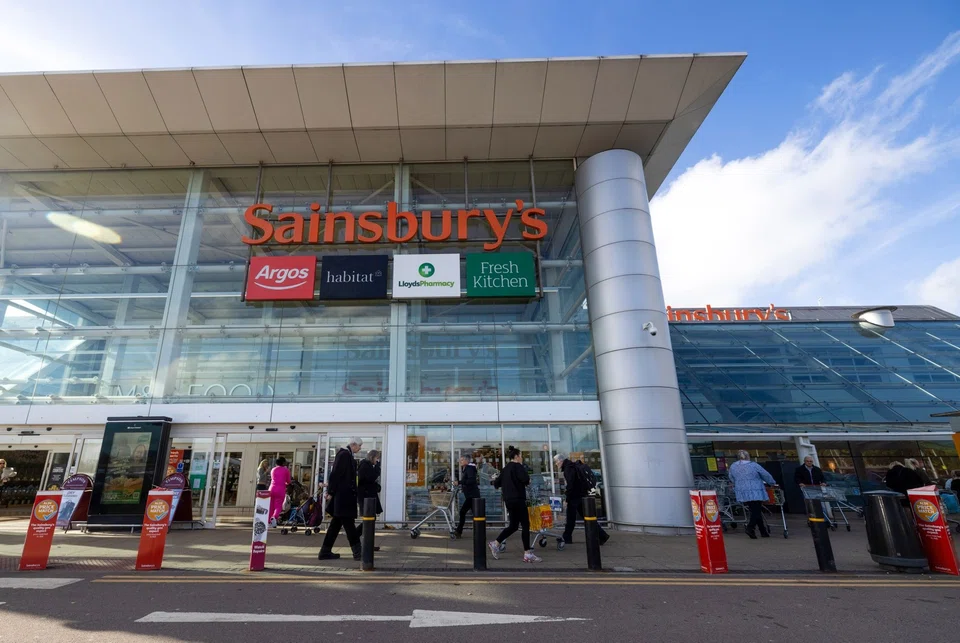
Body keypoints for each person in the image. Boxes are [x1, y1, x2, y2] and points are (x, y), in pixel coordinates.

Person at [489, 446, 542, 563]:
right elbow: (525, 479)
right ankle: (527, 553)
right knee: (525, 525)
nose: (522, 458)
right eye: (521, 456)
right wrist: (528, 481)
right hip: (518, 499)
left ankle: (496, 543)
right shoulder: (518, 466)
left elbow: (497, 483)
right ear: (517, 456)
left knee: (513, 525)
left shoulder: (505, 468)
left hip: (508, 500)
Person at [319, 438, 363, 561]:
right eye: (359, 446)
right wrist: (331, 492)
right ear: (353, 444)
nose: (360, 448)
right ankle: (358, 552)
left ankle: (325, 551)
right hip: (344, 497)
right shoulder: (344, 454)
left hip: (343, 497)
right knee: (349, 525)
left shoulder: (346, 454)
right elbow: (335, 474)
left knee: (335, 525)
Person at [554, 453, 609, 548]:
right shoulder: (571, 466)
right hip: (580, 495)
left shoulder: (568, 468)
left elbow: (570, 485)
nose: (556, 464)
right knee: (585, 516)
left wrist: (567, 499)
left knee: (571, 518)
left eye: (556, 461)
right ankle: (602, 535)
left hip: (575, 497)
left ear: (561, 460)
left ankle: (567, 537)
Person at [727, 450, 777, 539]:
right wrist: (772, 483)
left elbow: (731, 477)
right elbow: (765, 474)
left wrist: (738, 483)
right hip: (755, 489)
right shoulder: (753, 465)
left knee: (754, 509)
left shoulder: (733, 466)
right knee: (756, 510)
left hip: (742, 490)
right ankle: (750, 527)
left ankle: (763, 531)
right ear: (747, 456)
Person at [357, 449, 383, 552]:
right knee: (369, 520)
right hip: (366, 497)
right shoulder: (365, 465)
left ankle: (367, 543)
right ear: (372, 457)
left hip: (369, 496)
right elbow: (369, 478)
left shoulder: (366, 465)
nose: (377, 460)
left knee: (371, 520)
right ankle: (356, 536)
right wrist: (377, 468)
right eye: (377, 458)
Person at [454, 454, 481, 538]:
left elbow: (471, 480)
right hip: (471, 495)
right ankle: (479, 532)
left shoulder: (469, 468)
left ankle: (459, 531)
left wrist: (460, 482)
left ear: (466, 461)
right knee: (476, 514)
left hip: (472, 496)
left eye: (462, 460)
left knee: (463, 512)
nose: (460, 461)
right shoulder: (466, 469)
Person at [267, 457, 291, 526]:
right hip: (280, 489)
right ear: (283, 463)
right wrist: (287, 483)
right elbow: (288, 481)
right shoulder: (285, 470)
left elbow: (273, 478)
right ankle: (274, 517)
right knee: (278, 506)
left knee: (271, 506)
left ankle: (268, 521)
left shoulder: (273, 469)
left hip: (271, 489)